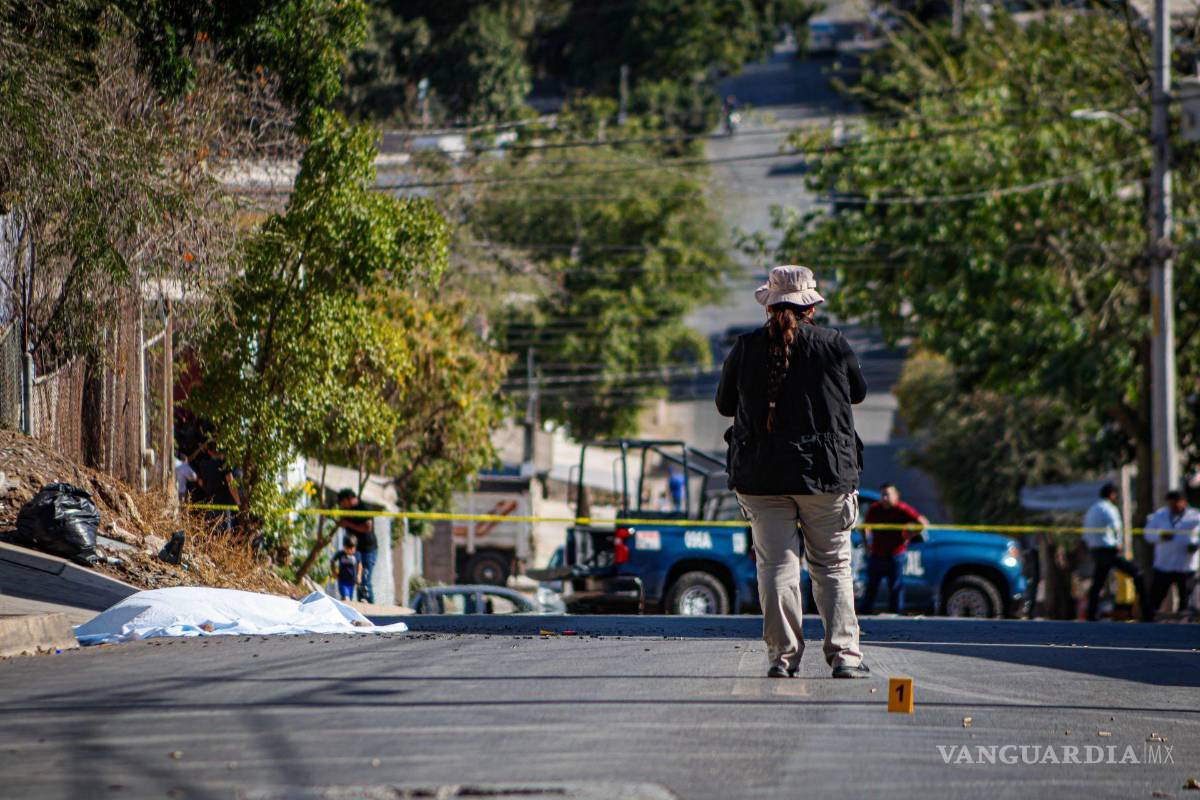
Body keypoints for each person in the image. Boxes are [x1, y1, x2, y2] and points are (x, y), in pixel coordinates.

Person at [716, 265, 869, 679]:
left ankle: (782, 659)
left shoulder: (745, 348)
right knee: (833, 566)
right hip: (826, 475)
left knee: (777, 567)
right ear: (811, 307)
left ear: (769, 306)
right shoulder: (833, 345)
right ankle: (845, 657)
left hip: (761, 477)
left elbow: (724, 405)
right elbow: (858, 392)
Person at [860, 483, 928, 614]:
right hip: (877, 555)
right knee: (871, 586)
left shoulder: (902, 509)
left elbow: (923, 523)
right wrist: (866, 543)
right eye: (883, 495)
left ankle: (897, 614)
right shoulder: (875, 509)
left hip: (895, 555)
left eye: (888, 494)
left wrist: (910, 534)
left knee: (896, 587)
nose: (885, 498)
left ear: (896, 496)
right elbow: (865, 527)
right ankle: (864, 614)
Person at [1083, 482, 1144, 621]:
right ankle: (1146, 610)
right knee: (1137, 573)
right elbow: (1116, 527)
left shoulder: (1092, 509)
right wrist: (1119, 543)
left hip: (1095, 550)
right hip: (1108, 550)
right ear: (1112, 495)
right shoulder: (1110, 508)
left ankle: (1091, 614)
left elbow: (1086, 533)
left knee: (1098, 582)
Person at [1143, 490, 1200, 621]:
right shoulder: (1159, 515)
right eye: (1171, 504)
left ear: (1184, 502)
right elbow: (1147, 535)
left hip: (1186, 565)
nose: (1173, 507)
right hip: (1164, 565)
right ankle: (1149, 622)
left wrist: (1196, 545)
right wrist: (1160, 536)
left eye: (1176, 504)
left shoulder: (1196, 517)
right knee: (1156, 597)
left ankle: (1184, 624)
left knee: (1185, 599)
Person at [336, 488, 379, 603]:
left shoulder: (363, 507)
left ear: (348, 499)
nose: (341, 505)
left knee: (365, 579)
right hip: (355, 551)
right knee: (357, 579)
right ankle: (362, 604)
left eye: (342, 502)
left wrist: (348, 524)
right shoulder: (346, 511)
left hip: (368, 549)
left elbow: (367, 527)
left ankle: (369, 606)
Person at [330, 538, 361, 602]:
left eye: (352, 549)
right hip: (342, 580)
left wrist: (359, 575)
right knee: (346, 597)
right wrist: (334, 571)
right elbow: (332, 561)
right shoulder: (341, 553)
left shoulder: (357, 554)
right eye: (347, 549)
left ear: (355, 548)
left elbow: (359, 565)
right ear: (344, 547)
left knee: (349, 598)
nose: (350, 551)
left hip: (352, 581)